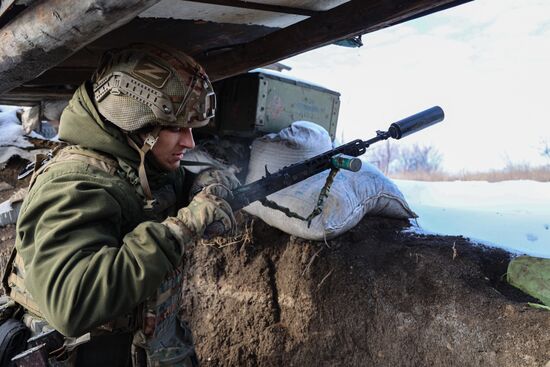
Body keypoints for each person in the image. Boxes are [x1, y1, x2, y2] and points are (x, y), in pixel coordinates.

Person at [3, 44, 239, 366]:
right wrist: (181, 228)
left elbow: (180, 184)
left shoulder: (139, 162)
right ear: (134, 122)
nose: (189, 142)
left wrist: (210, 184)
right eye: (175, 128)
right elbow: (72, 306)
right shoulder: (75, 185)